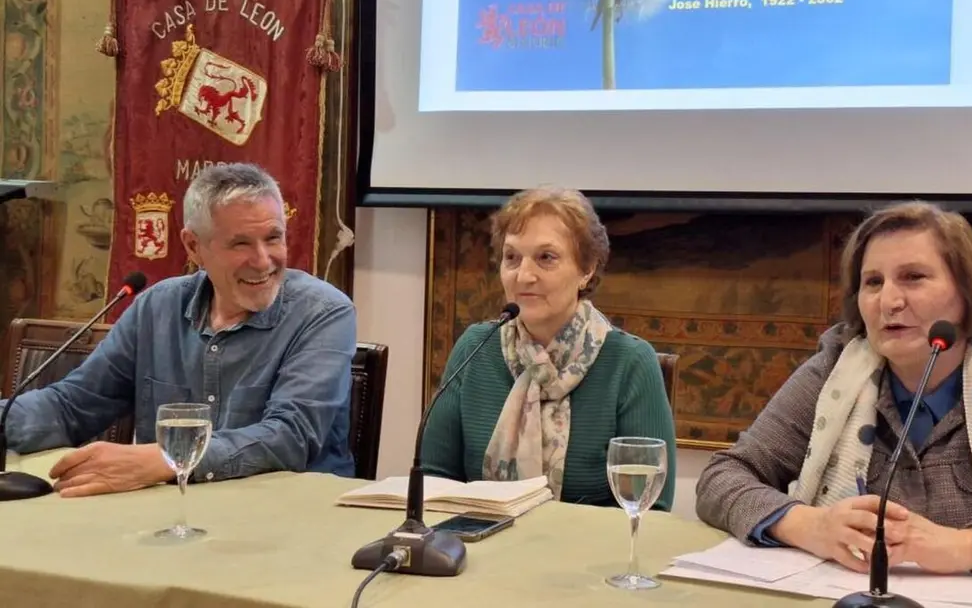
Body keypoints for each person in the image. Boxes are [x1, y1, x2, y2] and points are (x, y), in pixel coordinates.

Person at [695, 201, 972, 582]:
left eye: (913, 277)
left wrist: (969, 546)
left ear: (967, 289)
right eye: (873, 282)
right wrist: (808, 524)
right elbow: (723, 476)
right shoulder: (835, 368)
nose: (889, 301)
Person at [1, 163, 357, 496]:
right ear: (193, 246)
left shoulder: (323, 312)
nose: (264, 261)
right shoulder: (157, 308)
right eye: (241, 244)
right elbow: (72, 406)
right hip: (169, 516)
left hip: (287, 515)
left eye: (273, 238)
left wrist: (168, 458)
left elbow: (289, 437)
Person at [420, 186, 677, 510]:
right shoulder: (475, 348)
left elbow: (650, 508)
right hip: (481, 550)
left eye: (546, 258)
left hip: (588, 556)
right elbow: (433, 483)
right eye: (511, 257)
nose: (524, 275)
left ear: (587, 269)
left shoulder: (629, 363)